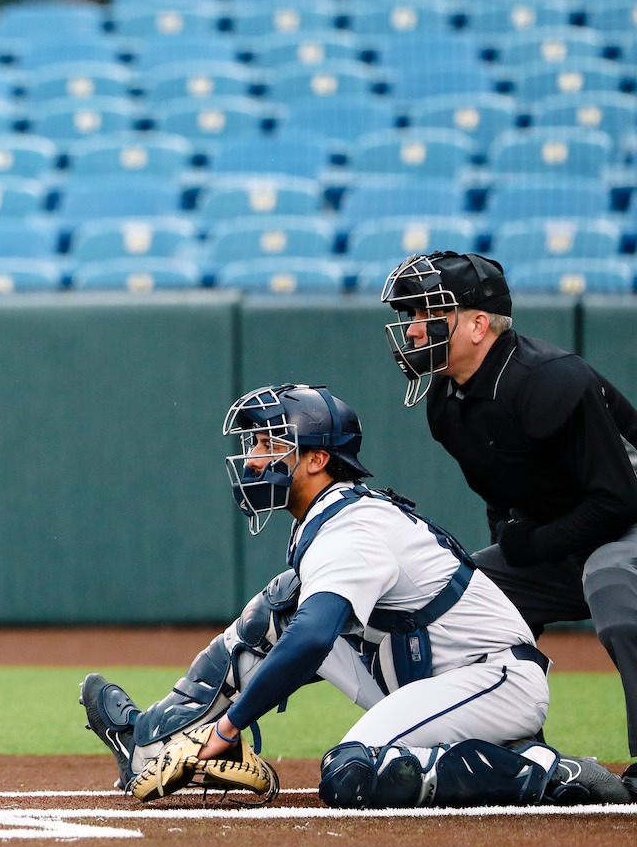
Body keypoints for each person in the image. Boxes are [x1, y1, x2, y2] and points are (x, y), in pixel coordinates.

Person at [81, 384, 631, 807]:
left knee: (350, 773)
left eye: (271, 443)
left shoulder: (351, 528)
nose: (253, 458)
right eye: (253, 443)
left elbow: (315, 639)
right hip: (423, 667)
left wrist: (225, 730)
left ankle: (545, 772)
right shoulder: (327, 516)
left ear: (318, 458)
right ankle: (151, 736)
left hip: (490, 679)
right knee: (279, 608)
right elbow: (299, 628)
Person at [381, 251, 637, 798]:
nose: (413, 328)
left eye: (428, 312)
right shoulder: (444, 402)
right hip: (571, 530)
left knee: (615, 595)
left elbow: (618, 500)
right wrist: (514, 538)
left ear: (478, 324)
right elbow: (503, 496)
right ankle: (515, 752)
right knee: (462, 603)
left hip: (626, 522)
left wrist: (534, 541)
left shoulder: (550, 379)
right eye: (409, 316)